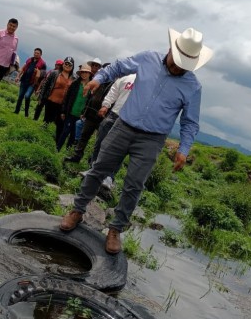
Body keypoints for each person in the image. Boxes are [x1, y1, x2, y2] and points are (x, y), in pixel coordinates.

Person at [59, 27, 214, 255]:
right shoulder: (147, 59)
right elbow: (119, 67)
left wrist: (184, 148)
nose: (179, 67)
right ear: (171, 49)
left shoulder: (193, 87)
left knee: (134, 185)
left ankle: (115, 229)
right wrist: (99, 78)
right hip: (123, 126)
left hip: (152, 140)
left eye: (186, 65)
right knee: (98, 169)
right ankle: (77, 210)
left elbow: (190, 122)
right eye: (178, 61)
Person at [84, 73, 136, 190]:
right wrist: (105, 105)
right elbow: (114, 91)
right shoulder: (127, 78)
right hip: (114, 114)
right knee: (100, 141)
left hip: (128, 120)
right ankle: (93, 168)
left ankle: (109, 177)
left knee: (120, 150)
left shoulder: (149, 83)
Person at [64, 57, 112, 163]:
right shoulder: (98, 81)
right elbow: (90, 98)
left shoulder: (113, 85)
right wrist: (85, 112)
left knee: (99, 140)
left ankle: (93, 161)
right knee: (84, 135)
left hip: (102, 117)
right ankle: (76, 156)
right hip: (91, 113)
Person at [38, 57, 75, 141]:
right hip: (51, 99)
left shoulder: (74, 78)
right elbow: (46, 85)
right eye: (66, 63)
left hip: (63, 104)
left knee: (60, 121)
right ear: (63, 64)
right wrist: (41, 97)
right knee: (48, 117)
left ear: (72, 66)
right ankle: (43, 132)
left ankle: (57, 137)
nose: (67, 65)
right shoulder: (55, 73)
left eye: (70, 64)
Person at [57, 64, 92, 151]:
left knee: (73, 135)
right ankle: (57, 149)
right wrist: (63, 111)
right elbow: (67, 98)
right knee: (65, 132)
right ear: (80, 73)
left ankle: (66, 152)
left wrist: (86, 113)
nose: (84, 74)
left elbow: (90, 102)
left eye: (86, 72)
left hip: (81, 116)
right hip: (71, 112)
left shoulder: (92, 87)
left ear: (90, 74)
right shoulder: (75, 83)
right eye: (83, 72)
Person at [14, 48, 47, 116]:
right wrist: (18, 76)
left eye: (37, 53)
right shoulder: (30, 59)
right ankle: (16, 111)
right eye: (35, 52)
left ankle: (26, 113)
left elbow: (43, 75)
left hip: (32, 83)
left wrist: (38, 72)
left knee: (27, 96)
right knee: (20, 96)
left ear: (41, 54)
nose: (36, 54)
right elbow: (23, 68)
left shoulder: (43, 64)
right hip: (24, 80)